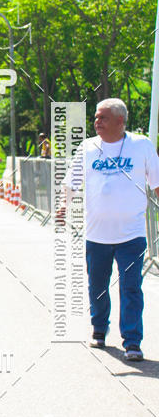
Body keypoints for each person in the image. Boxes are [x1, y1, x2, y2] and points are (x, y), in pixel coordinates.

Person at [62, 98, 159, 362]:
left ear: (120, 121)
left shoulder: (142, 146)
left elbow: (157, 182)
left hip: (132, 235)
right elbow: (72, 182)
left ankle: (132, 341)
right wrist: (62, 207)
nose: (97, 122)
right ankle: (99, 329)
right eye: (95, 117)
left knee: (131, 287)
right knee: (98, 287)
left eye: (103, 117)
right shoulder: (88, 147)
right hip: (97, 235)